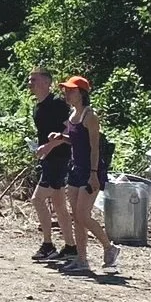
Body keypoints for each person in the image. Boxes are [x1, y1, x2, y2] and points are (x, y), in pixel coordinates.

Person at [61, 75, 117, 274]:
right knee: (76, 216)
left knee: (83, 215)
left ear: (82, 93)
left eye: (71, 90)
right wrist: (61, 138)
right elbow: (76, 141)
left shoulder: (90, 115)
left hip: (91, 170)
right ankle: (82, 260)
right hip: (75, 169)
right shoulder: (72, 114)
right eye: (66, 90)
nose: (67, 93)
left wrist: (94, 174)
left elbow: (95, 148)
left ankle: (109, 248)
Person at [27, 68, 74, 261]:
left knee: (37, 199)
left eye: (34, 80)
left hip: (59, 159)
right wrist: (40, 148)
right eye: (29, 80)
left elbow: (69, 128)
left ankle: (48, 245)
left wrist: (48, 147)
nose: (30, 83)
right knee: (59, 204)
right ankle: (71, 247)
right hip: (49, 160)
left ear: (47, 83)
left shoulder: (57, 103)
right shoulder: (37, 107)